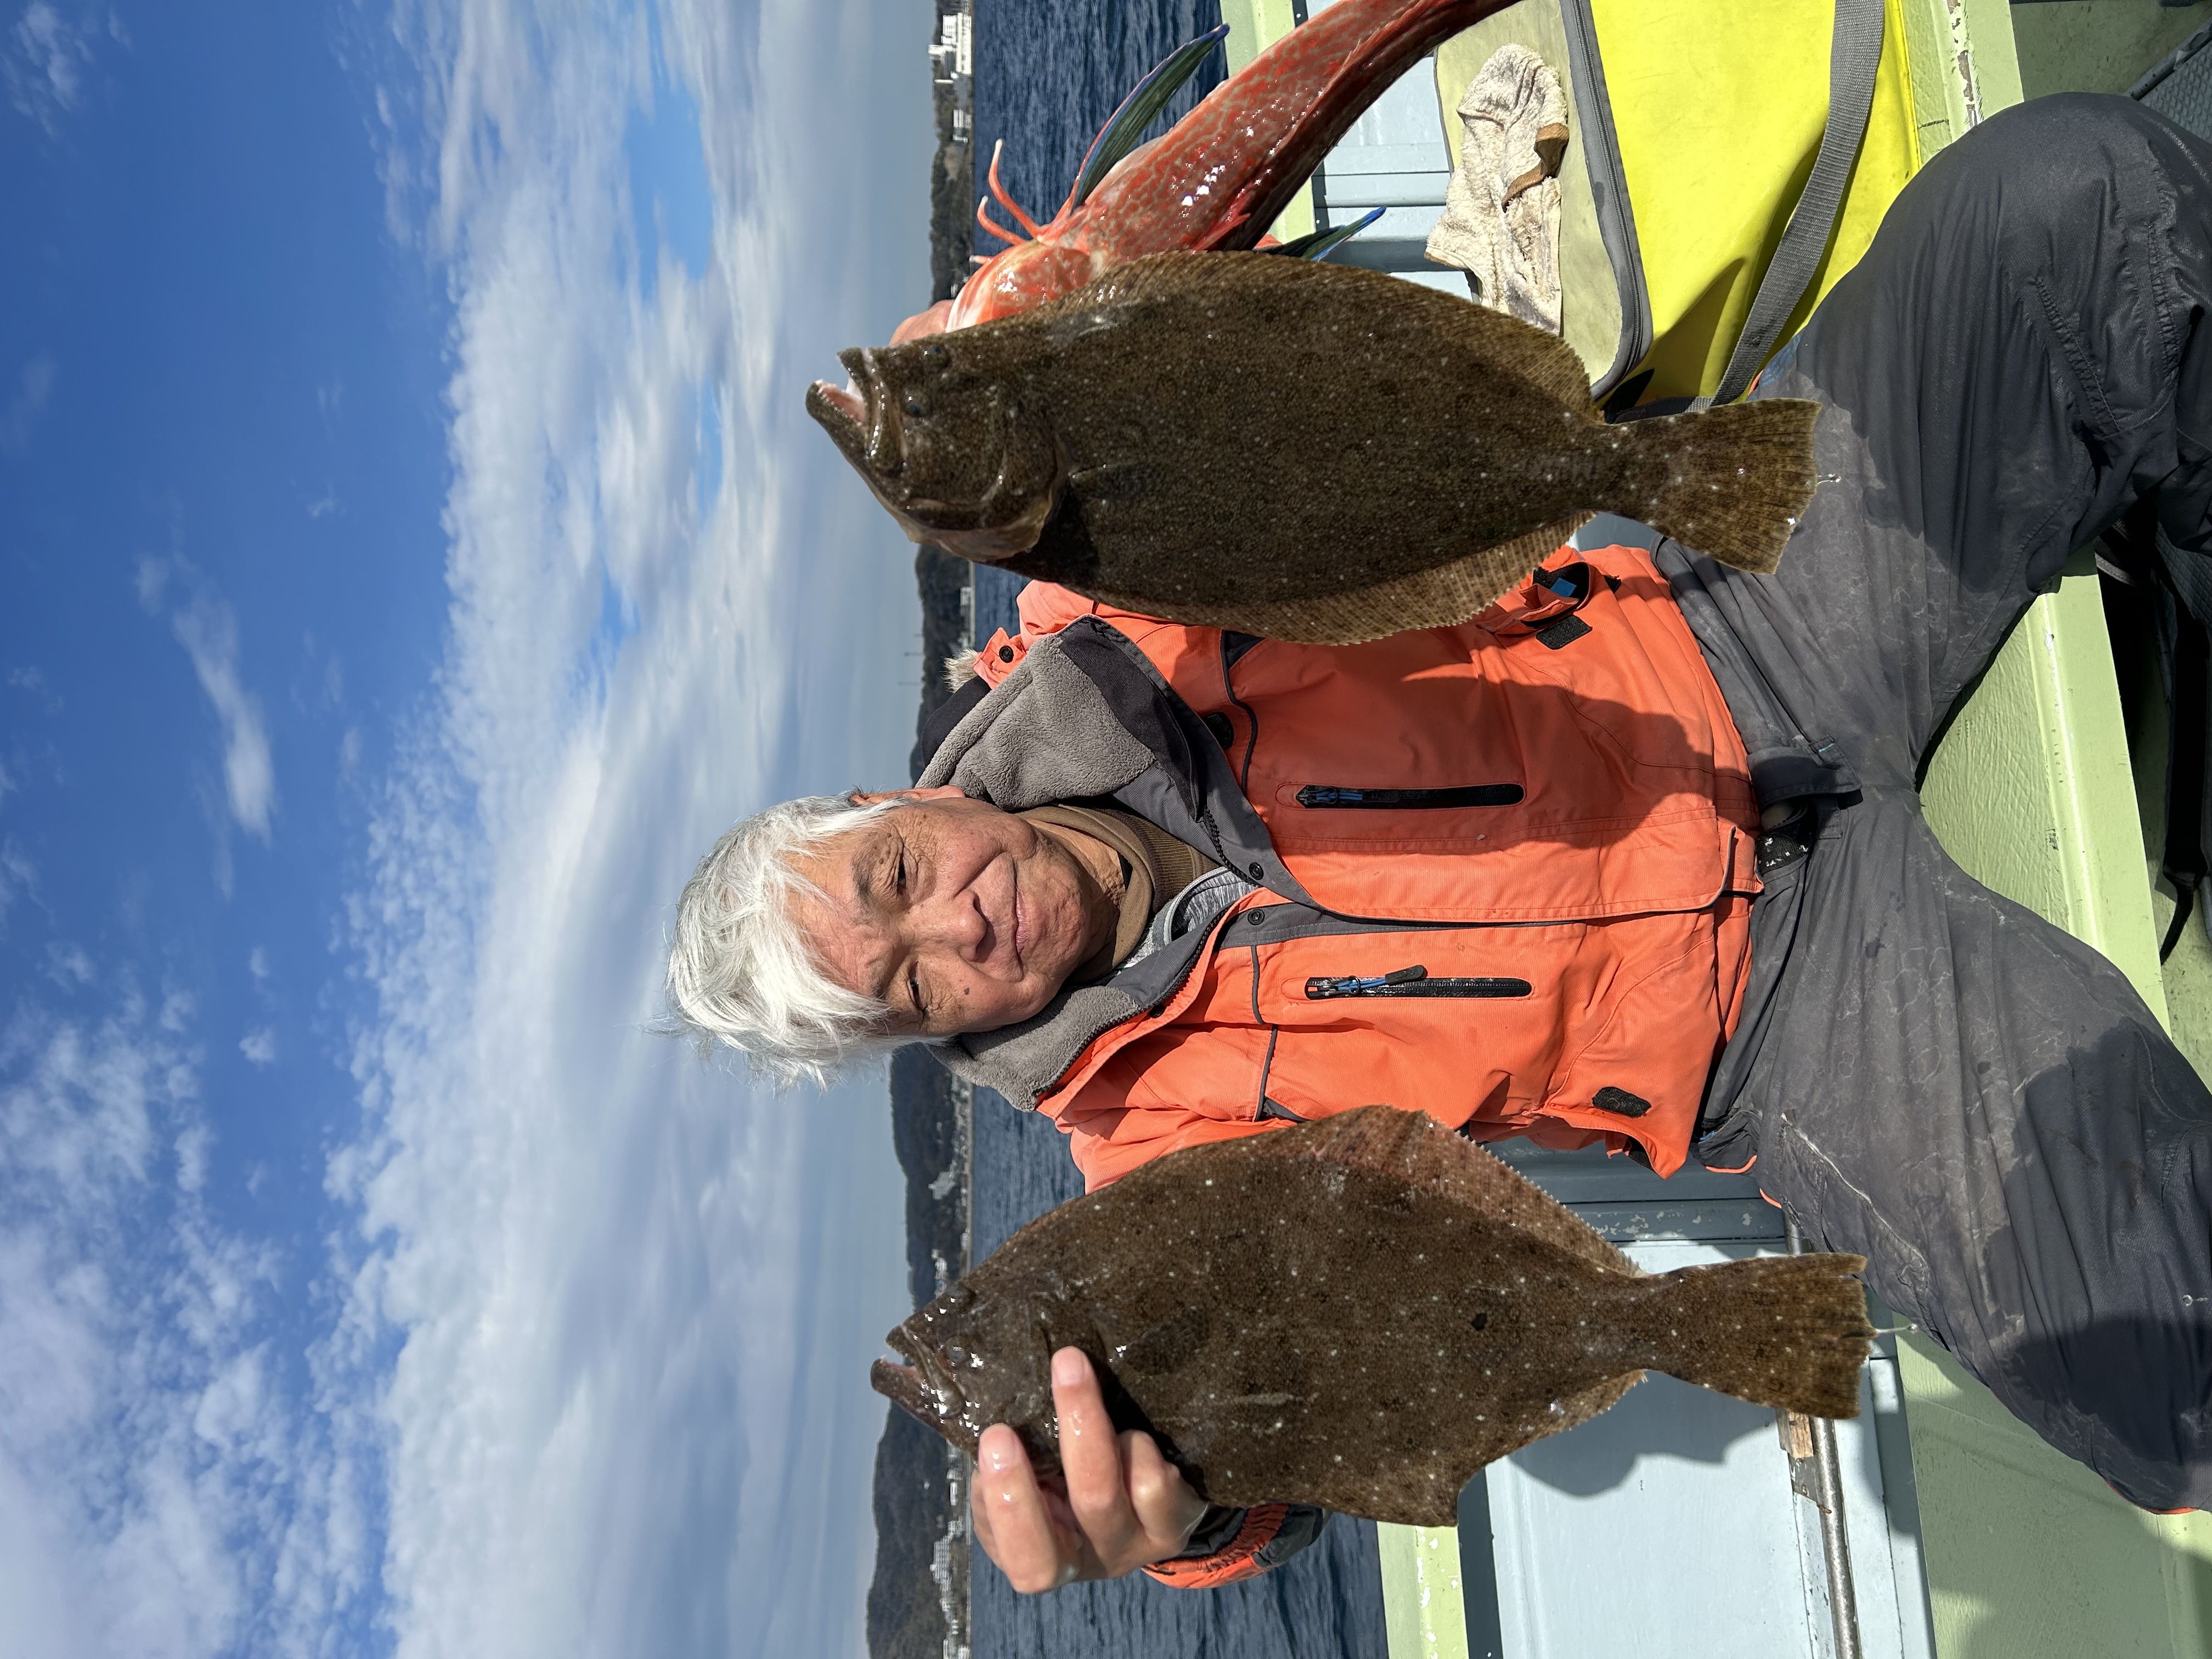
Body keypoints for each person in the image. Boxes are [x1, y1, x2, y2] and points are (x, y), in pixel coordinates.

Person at [667, 95, 2212, 1592]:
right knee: (2177, 1367)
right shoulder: (1144, 1167)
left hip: (1733, 623)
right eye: (912, 986)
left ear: (897, 800)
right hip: (1784, 1027)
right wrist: (1188, 1521)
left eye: (896, 881)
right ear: (921, 1039)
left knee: (2072, 211)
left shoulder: (1112, 586)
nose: (958, 928)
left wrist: (1043, 336)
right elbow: (1278, 1462)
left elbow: (1227, 350)